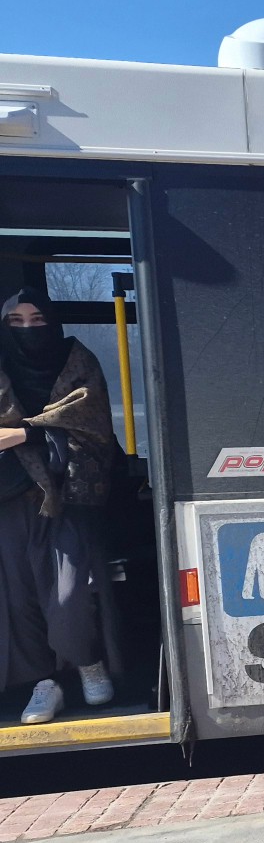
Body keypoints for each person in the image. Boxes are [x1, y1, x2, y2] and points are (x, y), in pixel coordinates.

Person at [0, 288, 123, 723]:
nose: (29, 329)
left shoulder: (78, 361)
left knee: (70, 594)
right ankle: (46, 683)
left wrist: (23, 433)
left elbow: (91, 427)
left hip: (69, 497)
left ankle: (88, 663)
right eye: (16, 321)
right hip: (12, 501)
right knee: (22, 599)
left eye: (37, 320)